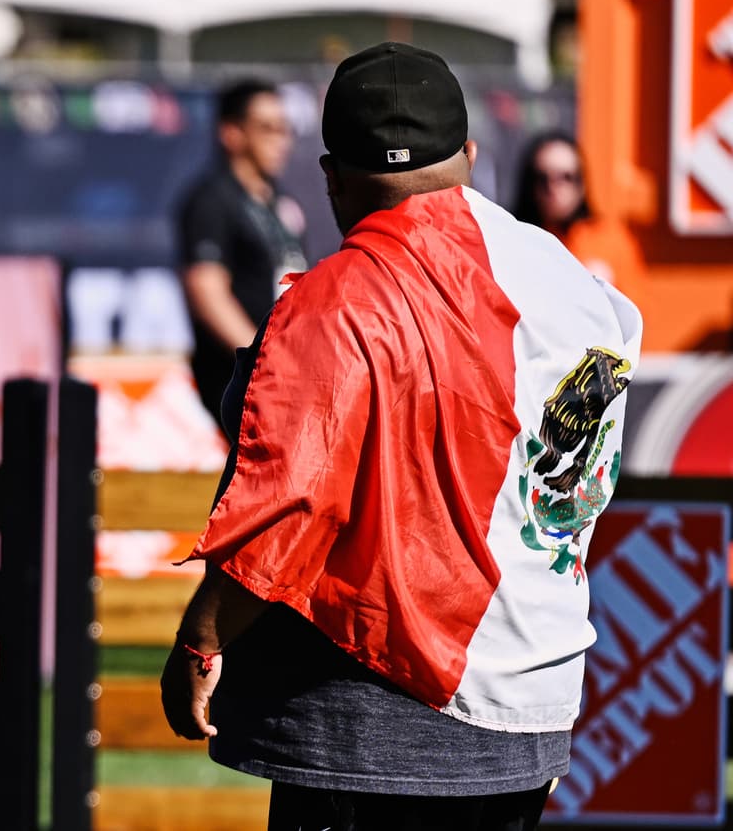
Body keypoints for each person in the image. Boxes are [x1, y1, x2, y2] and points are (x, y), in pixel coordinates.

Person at [161, 43, 642, 831]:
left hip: (377, 719)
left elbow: (290, 508)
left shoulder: (333, 299)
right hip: (536, 703)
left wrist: (201, 638)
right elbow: (583, 478)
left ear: (331, 176)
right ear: (471, 155)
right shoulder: (569, 279)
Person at [177, 80, 307, 430]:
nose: (281, 141)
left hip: (285, 367)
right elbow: (207, 290)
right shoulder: (212, 201)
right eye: (267, 129)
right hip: (241, 372)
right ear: (232, 133)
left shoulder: (281, 203)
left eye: (284, 129)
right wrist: (261, 357)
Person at [513, 130, 651, 310]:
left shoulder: (611, 241)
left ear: (582, 184)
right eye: (542, 178)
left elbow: (637, 314)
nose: (553, 188)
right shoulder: (516, 240)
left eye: (566, 177)